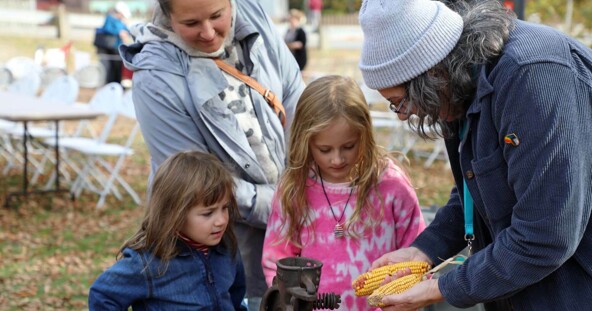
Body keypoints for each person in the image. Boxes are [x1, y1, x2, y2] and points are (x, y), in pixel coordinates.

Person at [357, 0, 592, 310]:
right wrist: (425, 250)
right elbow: (475, 189)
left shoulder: (533, 78)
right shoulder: (457, 86)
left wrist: (442, 288)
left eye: (401, 102)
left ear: (431, 77)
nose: (402, 116)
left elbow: (546, 235)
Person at [119, 0, 305, 309]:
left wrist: (307, 181)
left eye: (217, 16)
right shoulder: (155, 77)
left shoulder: (254, 13)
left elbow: (294, 97)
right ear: (167, 13)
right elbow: (193, 184)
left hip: (294, 227)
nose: (208, 33)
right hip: (226, 247)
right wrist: (286, 205)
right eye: (191, 24)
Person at [261, 75, 426, 310]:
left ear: (364, 135)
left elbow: (417, 250)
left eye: (349, 146)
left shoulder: (392, 185)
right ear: (305, 141)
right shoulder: (295, 188)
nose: (337, 159)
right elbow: (277, 257)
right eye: (324, 149)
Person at [88, 151, 247, 310]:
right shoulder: (148, 262)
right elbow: (103, 296)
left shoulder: (226, 248)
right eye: (208, 213)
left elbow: (234, 296)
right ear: (175, 213)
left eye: (225, 208)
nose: (221, 220)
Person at [95, 1, 132, 84]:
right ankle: (109, 83)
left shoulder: (121, 22)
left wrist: (126, 31)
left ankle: (117, 83)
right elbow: (107, 29)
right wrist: (119, 32)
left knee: (118, 67)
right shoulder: (110, 18)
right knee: (109, 68)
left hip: (117, 49)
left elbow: (126, 30)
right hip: (108, 48)